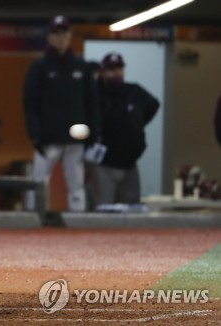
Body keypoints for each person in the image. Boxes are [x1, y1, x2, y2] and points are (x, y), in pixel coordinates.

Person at [23, 15, 100, 212]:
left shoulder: (81, 66)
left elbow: (92, 102)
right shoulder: (39, 67)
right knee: (39, 183)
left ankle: (78, 222)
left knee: (76, 185)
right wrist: (36, 135)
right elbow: (30, 103)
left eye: (64, 33)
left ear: (70, 35)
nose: (60, 38)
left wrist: (93, 133)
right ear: (49, 37)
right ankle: (34, 220)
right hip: (47, 139)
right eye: (56, 33)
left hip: (77, 138)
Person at [90, 52, 159, 208]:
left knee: (132, 210)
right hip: (104, 162)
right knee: (104, 209)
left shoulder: (133, 91)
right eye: (112, 69)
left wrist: (137, 124)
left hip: (130, 162)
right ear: (103, 71)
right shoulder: (94, 93)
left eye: (119, 68)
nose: (116, 73)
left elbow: (154, 105)